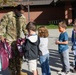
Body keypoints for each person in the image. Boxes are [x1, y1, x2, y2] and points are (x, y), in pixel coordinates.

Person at [0, 4, 27, 75]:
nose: (21, 14)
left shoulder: (23, 18)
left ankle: (19, 71)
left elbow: (25, 28)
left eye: (22, 13)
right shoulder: (8, 15)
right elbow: (2, 26)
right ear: (16, 10)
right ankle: (12, 72)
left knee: (19, 57)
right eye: (20, 12)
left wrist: (28, 35)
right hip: (9, 40)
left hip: (18, 41)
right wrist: (1, 35)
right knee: (11, 57)